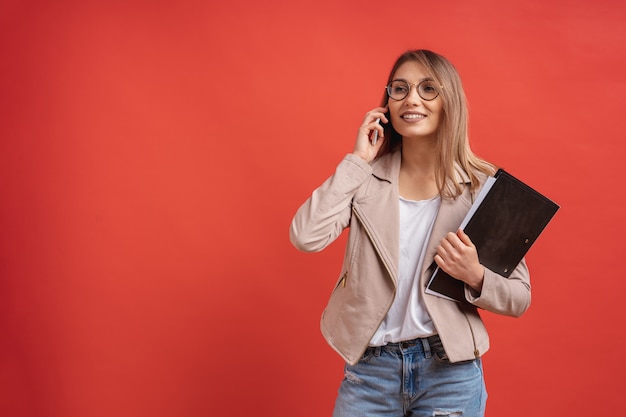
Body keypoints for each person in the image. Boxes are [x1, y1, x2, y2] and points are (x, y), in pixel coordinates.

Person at [289, 49, 531, 417]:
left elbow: (519, 298)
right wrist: (356, 162)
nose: (411, 99)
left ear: (449, 101)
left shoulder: (482, 191)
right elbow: (306, 236)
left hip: (449, 372)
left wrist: (475, 274)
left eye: (427, 88)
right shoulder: (365, 179)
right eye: (399, 89)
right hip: (371, 371)